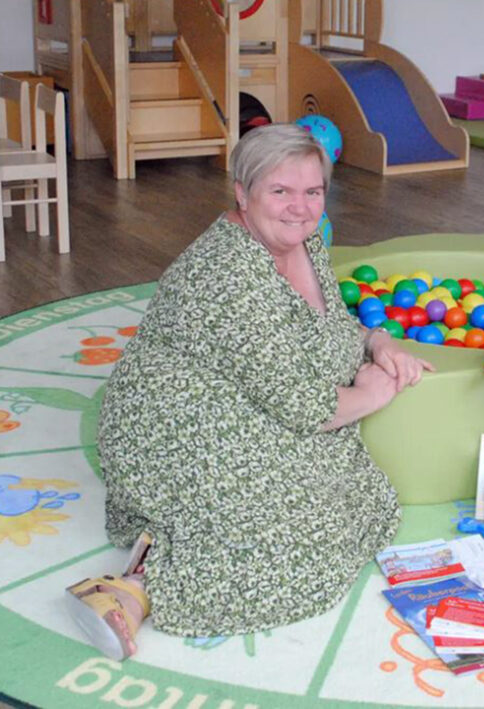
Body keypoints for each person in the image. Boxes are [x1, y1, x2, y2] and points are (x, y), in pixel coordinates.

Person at [65, 123, 433, 660]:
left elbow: (323, 327)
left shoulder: (304, 241)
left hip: (238, 401)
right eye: (280, 191)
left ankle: (154, 555)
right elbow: (310, 408)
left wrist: (379, 340)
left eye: (313, 192)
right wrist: (375, 392)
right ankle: (131, 591)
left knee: (354, 495)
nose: (300, 207)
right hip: (173, 429)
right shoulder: (229, 273)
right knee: (303, 532)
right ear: (242, 192)